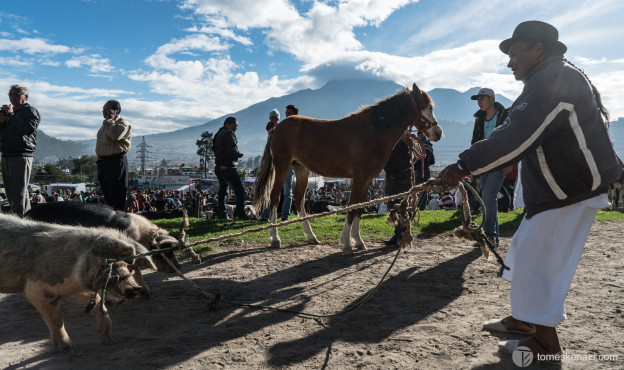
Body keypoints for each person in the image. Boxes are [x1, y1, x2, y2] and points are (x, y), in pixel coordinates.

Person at [440, 20, 623, 360]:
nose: (510, 61)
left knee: (538, 262)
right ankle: (524, 321)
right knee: (522, 253)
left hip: (570, 189)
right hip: (560, 189)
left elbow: (515, 135)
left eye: (514, 52)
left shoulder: (554, 80)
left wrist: (463, 165)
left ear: (538, 47)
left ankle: (545, 344)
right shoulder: (550, 76)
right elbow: (518, 131)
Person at [470, 87, 509, 244]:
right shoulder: (479, 118)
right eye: (478, 100)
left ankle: (490, 235)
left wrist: (509, 161)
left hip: (499, 161)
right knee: (486, 198)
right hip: (484, 162)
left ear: (492, 99)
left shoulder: (505, 115)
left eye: (483, 99)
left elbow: (510, 139)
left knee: (488, 196)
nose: (479, 102)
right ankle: (493, 236)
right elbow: (475, 141)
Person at [0, 85, 40, 217]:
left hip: (21, 154)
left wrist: (11, 115)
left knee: (19, 193)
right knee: (12, 193)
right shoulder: (11, 114)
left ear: (26, 97)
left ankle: (17, 224)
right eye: (10, 94)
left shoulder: (30, 111)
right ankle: (26, 220)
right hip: (7, 154)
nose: (12, 97)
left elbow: (27, 129)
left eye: (16, 94)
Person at [95, 100, 131, 211]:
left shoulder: (122, 123)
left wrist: (110, 121)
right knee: (107, 193)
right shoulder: (105, 125)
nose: (104, 112)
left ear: (117, 111)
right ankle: (110, 219)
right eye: (103, 110)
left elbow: (115, 135)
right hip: (103, 162)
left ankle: (118, 220)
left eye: (107, 109)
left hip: (115, 161)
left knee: (116, 193)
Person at [213, 116, 247, 220]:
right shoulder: (229, 133)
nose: (236, 128)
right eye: (234, 125)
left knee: (222, 192)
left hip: (219, 167)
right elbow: (231, 151)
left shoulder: (218, 133)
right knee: (240, 192)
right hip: (228, 168)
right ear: (227, 124)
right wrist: (239, 154)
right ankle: (241, 215)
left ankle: (223, 215)